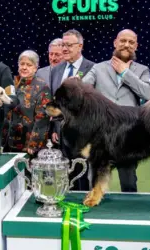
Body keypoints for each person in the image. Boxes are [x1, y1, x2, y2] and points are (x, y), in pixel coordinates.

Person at [82, 29, 150, 192]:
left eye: (131, 42)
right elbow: (84, 88)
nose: (126, 45)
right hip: (100, 134)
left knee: (128, 181)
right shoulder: (98, 68)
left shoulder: (142, 70)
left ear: (136, 46)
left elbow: (149, 94)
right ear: (115, 43)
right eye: (123, 41)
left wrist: (125, 72)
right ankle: (94, 208)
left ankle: (130, 213)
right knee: (95, 179)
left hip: (128, 134)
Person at [49, 29, 95, 191]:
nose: (65, 49)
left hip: (83, 132)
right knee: (65, 172)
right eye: (63, 45)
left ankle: (83, 206)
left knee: (82, 172)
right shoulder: (56, 70)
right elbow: (55, 102)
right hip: (61, 133)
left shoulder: (92, 68)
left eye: (69, 45)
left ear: (80, 46)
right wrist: (54, 128)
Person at [2, 50, 52, 156]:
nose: (24, 67)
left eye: (29, 65)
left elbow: (42, 119)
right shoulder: (12, 83)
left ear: (35, 67)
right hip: (9, 142)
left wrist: (34, 144)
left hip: (29, 145)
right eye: (22, 64)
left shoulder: (42, 87)